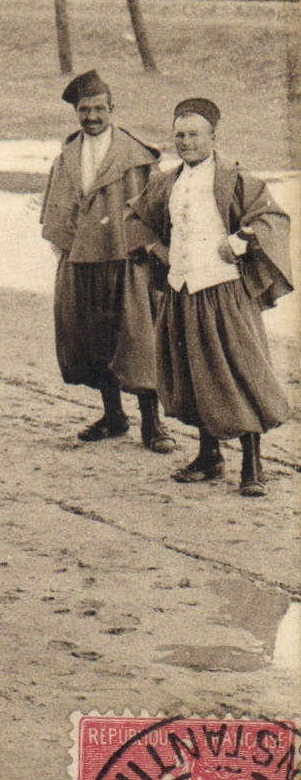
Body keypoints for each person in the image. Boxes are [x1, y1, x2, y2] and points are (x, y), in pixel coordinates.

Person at [128, 98, 292, 496]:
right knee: (190, 372)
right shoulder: (166, 181)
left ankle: (252, 466)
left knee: (239, 370)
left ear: (213, 137)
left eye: (194, 135)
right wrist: (155, 250)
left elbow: (272, 218)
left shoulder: (234, 178)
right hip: (181, 289)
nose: (186, 142)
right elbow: (135, 219)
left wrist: (238, 242)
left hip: (223, 291)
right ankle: (209, 456)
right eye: (179, 135)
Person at [40, 70, 169, 450]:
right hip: (81, 261)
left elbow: (158, 209)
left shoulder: (136, 155)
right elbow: (56, 209)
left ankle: (153, 424)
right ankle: (113, 415)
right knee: (91, 340)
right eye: (84, 110)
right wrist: (65, 247)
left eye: (99, 108)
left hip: (125, 261)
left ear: (113, 109)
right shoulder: (66, 156)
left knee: (138, 340)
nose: (92, 116)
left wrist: (149, 252)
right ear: (76, 113)